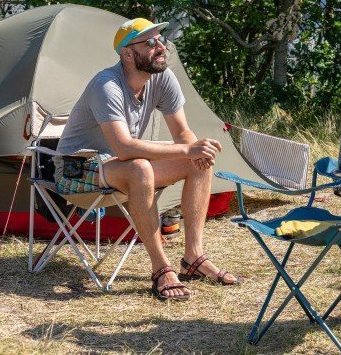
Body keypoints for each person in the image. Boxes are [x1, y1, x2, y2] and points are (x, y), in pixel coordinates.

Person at [55, 17, 239, 300]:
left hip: (120, 167)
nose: (161, 47)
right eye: (150, 42)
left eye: (161, 40)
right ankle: (160, 268)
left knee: (199, 159)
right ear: (128, 54)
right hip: (77, 169)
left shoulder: (162, 77)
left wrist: (196, 152)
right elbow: (125, 148)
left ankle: (194, 257)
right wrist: (187, 149)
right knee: (141, 167)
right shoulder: (107, 85)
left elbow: (182, 132)